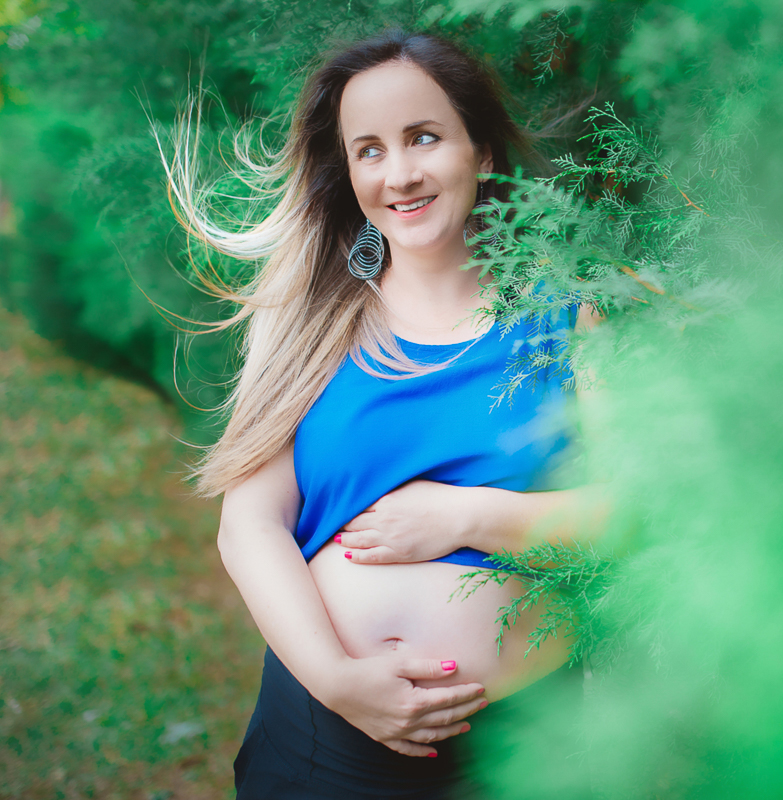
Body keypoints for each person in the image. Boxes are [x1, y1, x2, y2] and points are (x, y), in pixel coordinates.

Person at [163, 28, 603, 799]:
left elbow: (639, 514)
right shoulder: (310, 319)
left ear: (482, 152)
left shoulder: (569, 315)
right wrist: (338, 681)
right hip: (328, 746)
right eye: (369, 150)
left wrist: (466, 517)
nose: (399, 173)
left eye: (423, 137)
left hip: (531, 749)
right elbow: (249, 526)